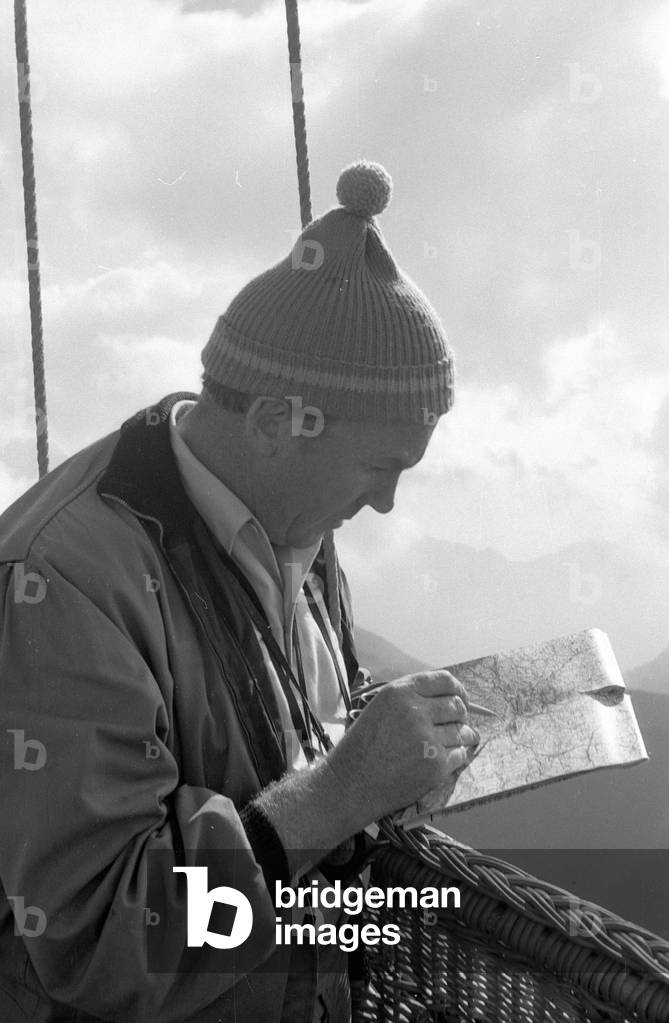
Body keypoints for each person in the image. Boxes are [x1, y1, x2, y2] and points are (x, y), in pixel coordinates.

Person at [0, 161, 479, 1023]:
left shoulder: (288, 514)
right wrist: (339, 791)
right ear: (270, 423)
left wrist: (391, 754)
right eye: (379, 466)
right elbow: (101, 938)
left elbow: (286, 729)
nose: (385, 503)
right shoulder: (63, 582)